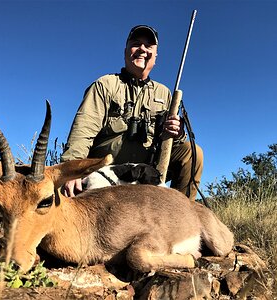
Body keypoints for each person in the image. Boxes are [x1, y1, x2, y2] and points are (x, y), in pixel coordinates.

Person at [61, 25, 203, 201]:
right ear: (126, 51)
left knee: (192, 152)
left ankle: (181, 216)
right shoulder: (105, 85)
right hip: (104, 174)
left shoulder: (164, 93)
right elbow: (84, 129)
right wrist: (72, 170)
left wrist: (178, 133)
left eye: (148, 46)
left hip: (145, 174)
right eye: (136, 44)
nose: (142, 49)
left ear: (155, 56)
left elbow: (173, 142)